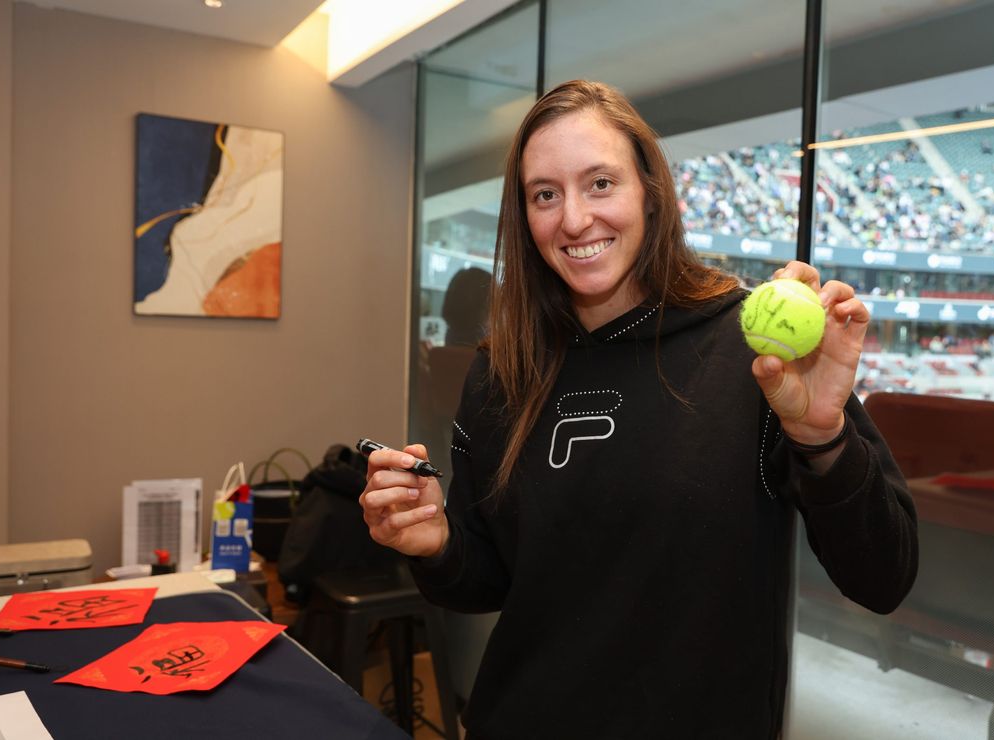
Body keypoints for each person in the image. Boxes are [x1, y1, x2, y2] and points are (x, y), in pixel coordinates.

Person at [360, 80, 918, 739]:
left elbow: (884, 578)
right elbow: (489, 582)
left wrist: (822, 435)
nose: (573, 219)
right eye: (546, 194)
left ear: (650, 192)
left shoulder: (757, 356)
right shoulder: (501, 370)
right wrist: (438, 543)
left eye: (600, 183)